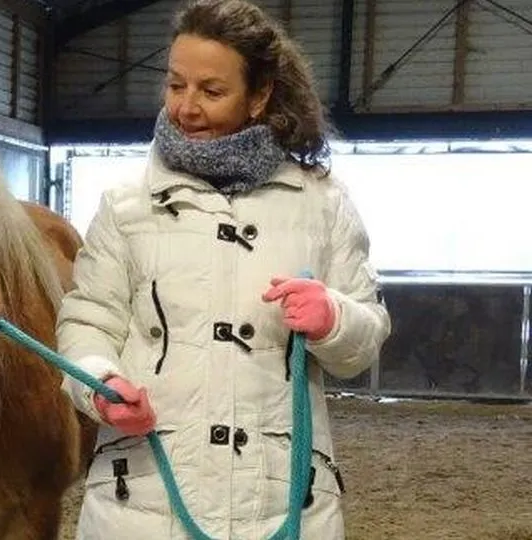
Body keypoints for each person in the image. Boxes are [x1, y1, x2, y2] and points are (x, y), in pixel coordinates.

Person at [56, 0, 392, 538]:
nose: (187, 107)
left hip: (283, 503)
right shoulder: (125, 207)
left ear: (259, 97)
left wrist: (333, 316)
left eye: (212, 91)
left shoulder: (324, 204)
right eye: (175, 86)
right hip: (142, 502)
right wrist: (102, 384)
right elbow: (86, 322)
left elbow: (367, 336)